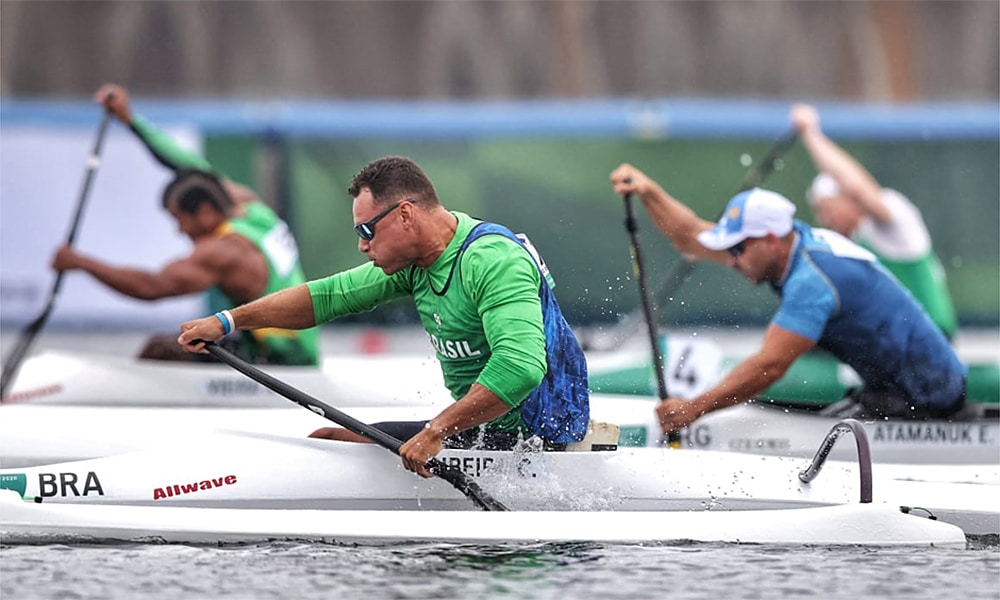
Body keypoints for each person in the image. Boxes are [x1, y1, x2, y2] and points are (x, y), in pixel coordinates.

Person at [178, 155, 590, 477]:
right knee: (330, 441)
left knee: (333, 444)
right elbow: (327, 297)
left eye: (366, 231)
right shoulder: (419, 261)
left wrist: (436, 431)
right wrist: (227, 321)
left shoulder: (492, 260)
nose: (362, 246)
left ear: (405, 215)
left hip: (534, 439)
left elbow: (520, 368)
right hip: (484, 428)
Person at [608, 164, 967, 433]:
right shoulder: (788, 245)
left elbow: (770, 367)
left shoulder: (811, 280)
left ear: (768, 239)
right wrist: (648, 190)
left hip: (928, 403)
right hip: (888, 393)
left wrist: (692, 410)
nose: (731, 260)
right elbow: (690, 237)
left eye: (737, 248)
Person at [51, 83, 318, 366]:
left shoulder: (222, 252)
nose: (180, 231)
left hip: (281, 358)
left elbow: (151, 287)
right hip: (302, 344)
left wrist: (80, 262)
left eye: (181, 221)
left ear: (204, 212)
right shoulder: (251, 208)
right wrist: (130, 120)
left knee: (159, 349)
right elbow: (192, 168)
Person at [791, 103, 958, 338]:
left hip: (928, 338)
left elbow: (856, 187)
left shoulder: (895, 216)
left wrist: (811, 134)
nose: (823, 219)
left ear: (849, 200)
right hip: (895, 340)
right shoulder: (848, 246)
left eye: (828, 209)